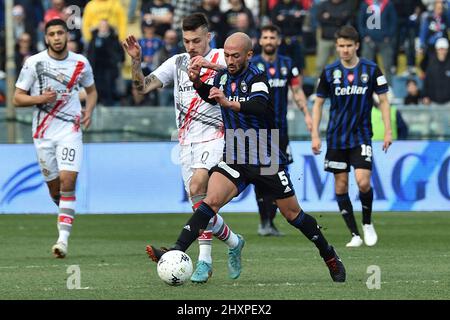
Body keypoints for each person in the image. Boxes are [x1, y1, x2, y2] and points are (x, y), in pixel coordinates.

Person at [147, 32, 346, 283]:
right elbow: (211, 94)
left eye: (235, 56)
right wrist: (197, 82)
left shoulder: (258, 76)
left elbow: (259, 106)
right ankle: (176, 250)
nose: (230, 60)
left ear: (249, 55)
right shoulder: (222, 76)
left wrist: (229, 104)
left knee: (293, 215)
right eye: (227, 55)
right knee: (210, 202)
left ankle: (328, 254)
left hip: (264, 154)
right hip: (236, 153)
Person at [122, 13, 243, 284]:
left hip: (217, 136)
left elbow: (243, 70)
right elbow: (142, 88)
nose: (191, 46)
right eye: (187, 40)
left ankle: (204, 261)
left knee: (198, 186)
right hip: (186, 143)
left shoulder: (224, 57)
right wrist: (136, 61)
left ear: (208, 37)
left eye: (196, 40)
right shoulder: (176, 63)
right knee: (201, 206)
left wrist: (211, 66)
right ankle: (234, 242)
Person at [13, 18, 98, 258]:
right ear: (46, 38)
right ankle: (65, 209)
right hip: (43, 134)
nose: (57, 37)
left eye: (61, 33)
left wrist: (89, 111)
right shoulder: (34, 63)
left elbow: (91, 91)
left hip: (70, 130)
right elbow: (17, 98)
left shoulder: (81, 63)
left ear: (67, 36)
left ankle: (62, 240)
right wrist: (40, 99)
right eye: (52, 34)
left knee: (68, 181)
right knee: (55, 190)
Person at [311, 25, 392, 248]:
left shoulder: (371, 69)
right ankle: (354, 234)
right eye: (341, 46)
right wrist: (315, 135)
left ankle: (367, 222)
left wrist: (388, 130)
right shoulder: (329, 72)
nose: (345, 50)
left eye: (348, 45)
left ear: (357, 45)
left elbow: (384, 100)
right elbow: (318, 104)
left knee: (363, 182)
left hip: (361, 135)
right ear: (336, 47)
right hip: (336, 137)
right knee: (341, 186)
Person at [251, 24, 313, 236]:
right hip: (258, 131)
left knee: (279, 176)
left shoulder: (287, 65)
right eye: (265, 37)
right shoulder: (252, 65)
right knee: (261, 177)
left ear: (278, 41)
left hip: (281, 131)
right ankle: (264, 221)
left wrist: (306, 114)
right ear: (260, 41)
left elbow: (297, 91)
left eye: (272, 37)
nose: (269, 41)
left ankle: (270, 221)